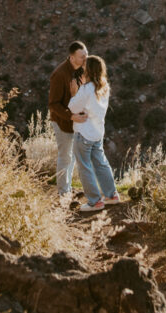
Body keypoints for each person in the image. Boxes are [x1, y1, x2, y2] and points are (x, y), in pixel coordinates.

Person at [68, 55, 120, 213]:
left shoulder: (86, 88)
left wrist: (74, 92)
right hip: (97, 132)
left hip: (83, 133)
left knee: (85, 167)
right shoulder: (104, 87)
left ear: (88, 70)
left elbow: (72, 107)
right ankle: (111, 195)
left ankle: (94, 201)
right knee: (101, 163)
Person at [48, 40, 89, 201]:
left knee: (71, 156)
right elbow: (53, 104)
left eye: (86, 55)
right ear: (72, 58)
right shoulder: (60, 74)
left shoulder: (80, 71)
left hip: (75, 123)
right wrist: (71, 116)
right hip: (63, 122)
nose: (85, 59)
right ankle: (63, 193)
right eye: (82, 57)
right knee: (65, 156)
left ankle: (68, 188)